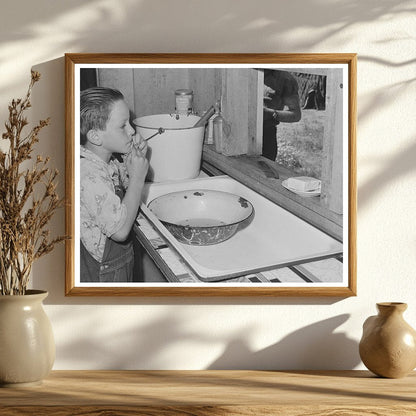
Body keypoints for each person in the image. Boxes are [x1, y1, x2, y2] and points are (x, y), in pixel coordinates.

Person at [79, 87, 148, 282]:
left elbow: (123, 193)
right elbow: (120, 231)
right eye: (123, 125)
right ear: (95, 136)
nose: (132, 131)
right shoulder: (89, 174)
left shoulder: (106, 161)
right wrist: (138, 178)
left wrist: (133, 159)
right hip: (103, 274)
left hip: (116, 264)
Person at [262, 69, 302, 161]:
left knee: (265, 172)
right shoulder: (241, 70)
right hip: (238, 133)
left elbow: (295, 115)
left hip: (266, 137)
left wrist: (268, 113)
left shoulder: (285, 79)